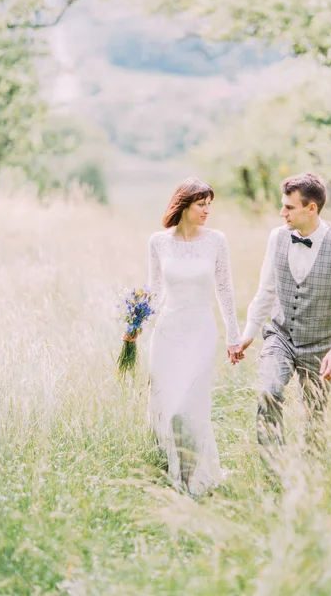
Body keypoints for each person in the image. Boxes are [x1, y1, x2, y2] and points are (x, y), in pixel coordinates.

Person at [233, 172, 331, 466]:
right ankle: (273, 468)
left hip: (320, 345)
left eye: (289, 207)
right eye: (283, 205)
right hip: (280, 336)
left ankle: (311, 472)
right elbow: (265, 290)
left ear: (311, 208)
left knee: (314, 417)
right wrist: (248, 333)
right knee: (268, 393)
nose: (282, 213)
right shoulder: (276, 237)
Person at [124, 177, 240, 495]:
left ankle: (194, 478)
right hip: (168, 332)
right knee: (168, 407)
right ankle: (172, 472)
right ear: (184, 205)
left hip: (201, 331)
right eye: (201, 205)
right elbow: (156, 289)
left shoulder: (216, 240)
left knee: (188, 407)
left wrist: (233, 335)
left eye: (209, 205)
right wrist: (136, 324)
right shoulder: (158, 242)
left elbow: (225, 289)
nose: (207, 211)